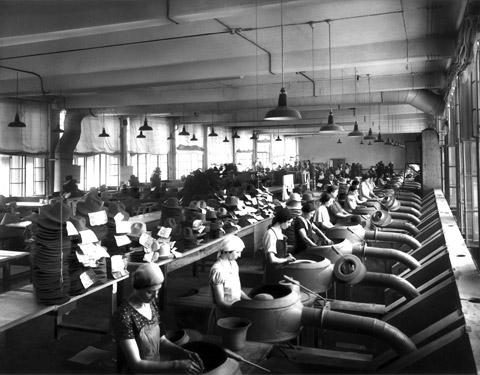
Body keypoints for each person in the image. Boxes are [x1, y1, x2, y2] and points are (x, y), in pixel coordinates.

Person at [113, 263, 204, 374]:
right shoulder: (124, 315)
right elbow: (135, 364)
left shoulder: (151, 305)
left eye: (158, 290)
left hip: (155, 368)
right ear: (137, 287)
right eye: (150, 292)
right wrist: (176, 364)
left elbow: (161, 340)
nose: (155, 296)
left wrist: (183, 352)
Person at [209, 235, 251, 309]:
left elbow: (236, 289)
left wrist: (250, 301)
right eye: (237, 252)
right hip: (225, 310)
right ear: (228, 251)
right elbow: (220, 302)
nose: (240, 255)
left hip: (236, 305)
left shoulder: (233, 264)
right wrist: (237, 309)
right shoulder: (218, 270)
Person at [263, 208, 296, 283]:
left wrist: (286, 255)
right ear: (282, 221)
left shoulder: (279, 231)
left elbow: (279, 252)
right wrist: (287, 259)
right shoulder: (270, 234)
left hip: (281, 269)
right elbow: (272, 259)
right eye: (288, 222)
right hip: (273, 272)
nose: (289, 225)